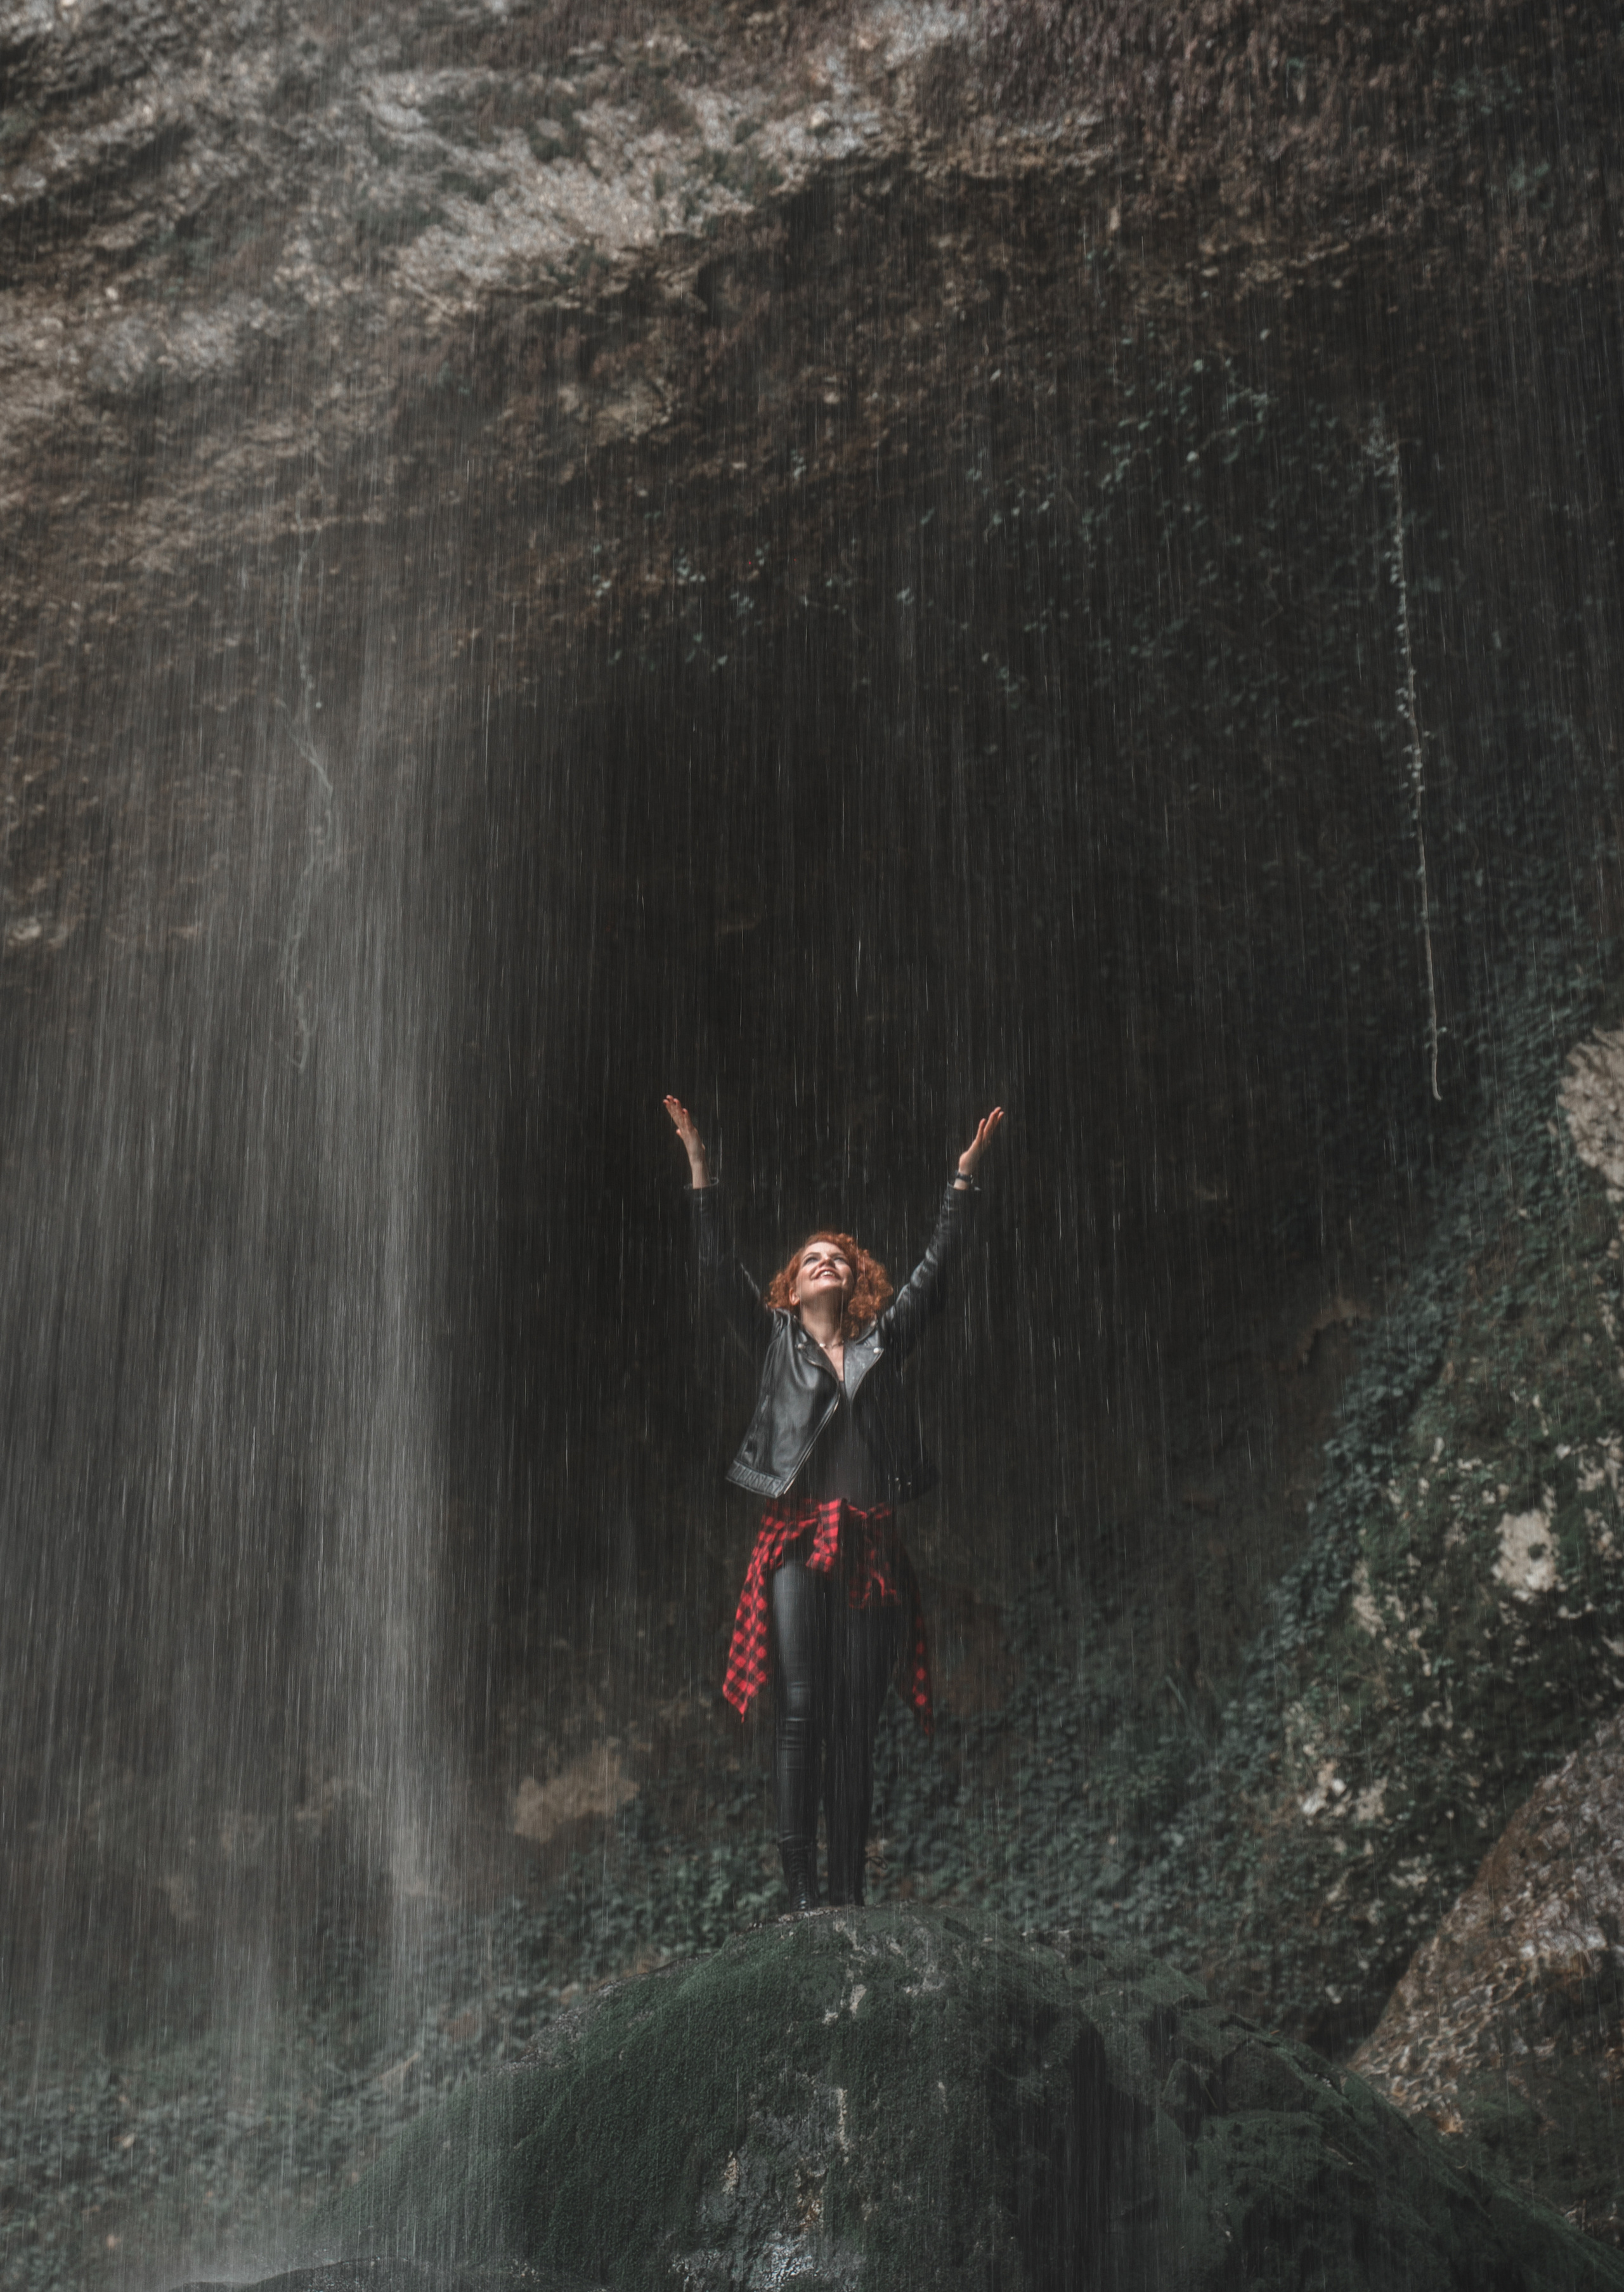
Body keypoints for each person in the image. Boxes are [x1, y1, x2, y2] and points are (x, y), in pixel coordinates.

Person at [663, 1095, 1004, 1913]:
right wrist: (701, 1175)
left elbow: (935, 1270)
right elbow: (717, 1270)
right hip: (793, 1542)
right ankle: (802, 1893)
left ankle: (848, 1896)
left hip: (873, 1544)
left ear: (855, 1281)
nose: (826, 1262)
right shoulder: (775, 1341)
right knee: (804, 1708)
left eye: (839, 1258)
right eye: (812, 1257)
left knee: (857, 1726)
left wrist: (963, 1183)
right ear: (792, 1282)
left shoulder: (882, 1343)